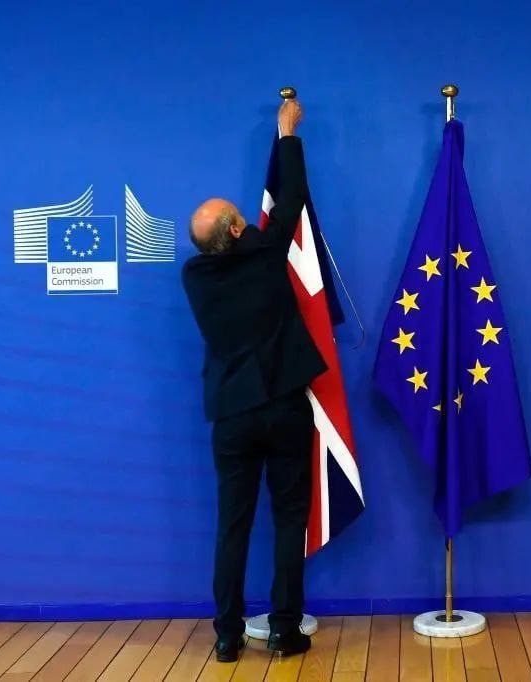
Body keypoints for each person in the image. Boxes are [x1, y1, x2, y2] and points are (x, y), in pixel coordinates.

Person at [181, 98, 325, 662]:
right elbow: (291, 202)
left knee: (232, 525)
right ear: (240, 229)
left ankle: (226, 635)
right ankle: (286, 632)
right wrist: (288, 135)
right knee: (289, 521)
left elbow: (234, 238)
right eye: (239, 215)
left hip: (232, 418)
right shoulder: (265, 253)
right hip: (285, 408)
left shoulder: (194, 278)